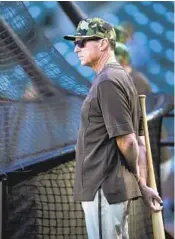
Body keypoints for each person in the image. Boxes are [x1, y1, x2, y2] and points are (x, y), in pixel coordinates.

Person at [64, 17, 163, 239]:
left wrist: (140, 182)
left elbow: (129, 141)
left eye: (82, 42)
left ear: (103, 44)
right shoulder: (120, 77)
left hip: (103, 189)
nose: (76, 48)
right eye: (75, 43)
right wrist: (143, 185)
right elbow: (138, 141)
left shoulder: (108, 80)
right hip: (109, 190)